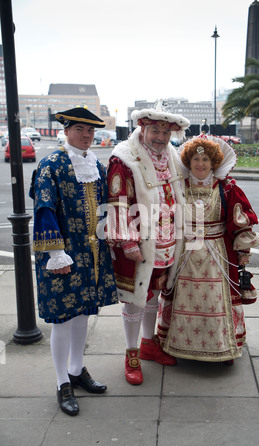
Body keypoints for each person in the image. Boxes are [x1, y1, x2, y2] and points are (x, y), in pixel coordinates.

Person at [30, 107, 118, 416]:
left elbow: (105, 205)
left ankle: (77, 369)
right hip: (64, 255)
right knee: (63, 319)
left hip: (91, 253)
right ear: (66, 131)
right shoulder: (51, 165)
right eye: (80, 129)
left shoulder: (96, 164)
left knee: (82, 314)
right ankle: (61, 382)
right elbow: (44, 207)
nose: (86, 135)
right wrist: (55, 253)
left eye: (91, 131)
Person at [104, 102, 190, 385]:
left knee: (154, 294)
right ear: (142, 128)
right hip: (138, 243)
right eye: (155, 131)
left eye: (166, 133)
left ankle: (149, 344)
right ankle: (131, 355)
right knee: (134, 300)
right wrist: (128, 243)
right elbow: (118, 204)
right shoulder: (124, 158)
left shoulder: (172, 155)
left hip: (165, 243)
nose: (161, 138)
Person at [157, 135, 259, 364]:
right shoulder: (178, 187)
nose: (201, 164)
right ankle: (178, 344)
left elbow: (240, 222)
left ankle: (223, 347)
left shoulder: (227, 187)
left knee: (216, 300)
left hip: (217, 253)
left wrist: (243, 252)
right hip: (185, 251)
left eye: (205, 159)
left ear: (214, 162)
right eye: (196, 158)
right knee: (184, 297)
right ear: (188, 161)